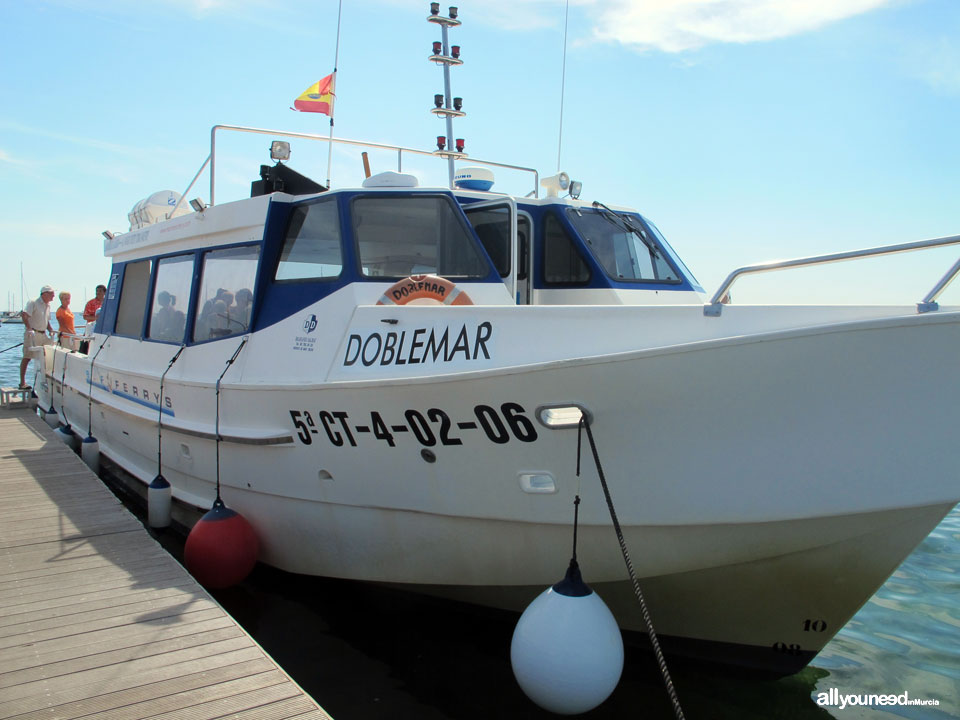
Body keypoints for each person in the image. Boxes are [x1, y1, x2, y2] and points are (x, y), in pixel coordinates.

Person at [19, 285, 56, 389]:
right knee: (27, 357)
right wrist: (29, 328)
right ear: (45, 294)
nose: (53, 296)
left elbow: (47, 320)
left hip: (43, 334)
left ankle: (45, 380)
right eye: (52, 293)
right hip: (32, 334)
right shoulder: (33, 302)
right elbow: (25, 315)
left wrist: (51, 330)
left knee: (49, 354)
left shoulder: (48, 305)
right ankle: (22, 383)